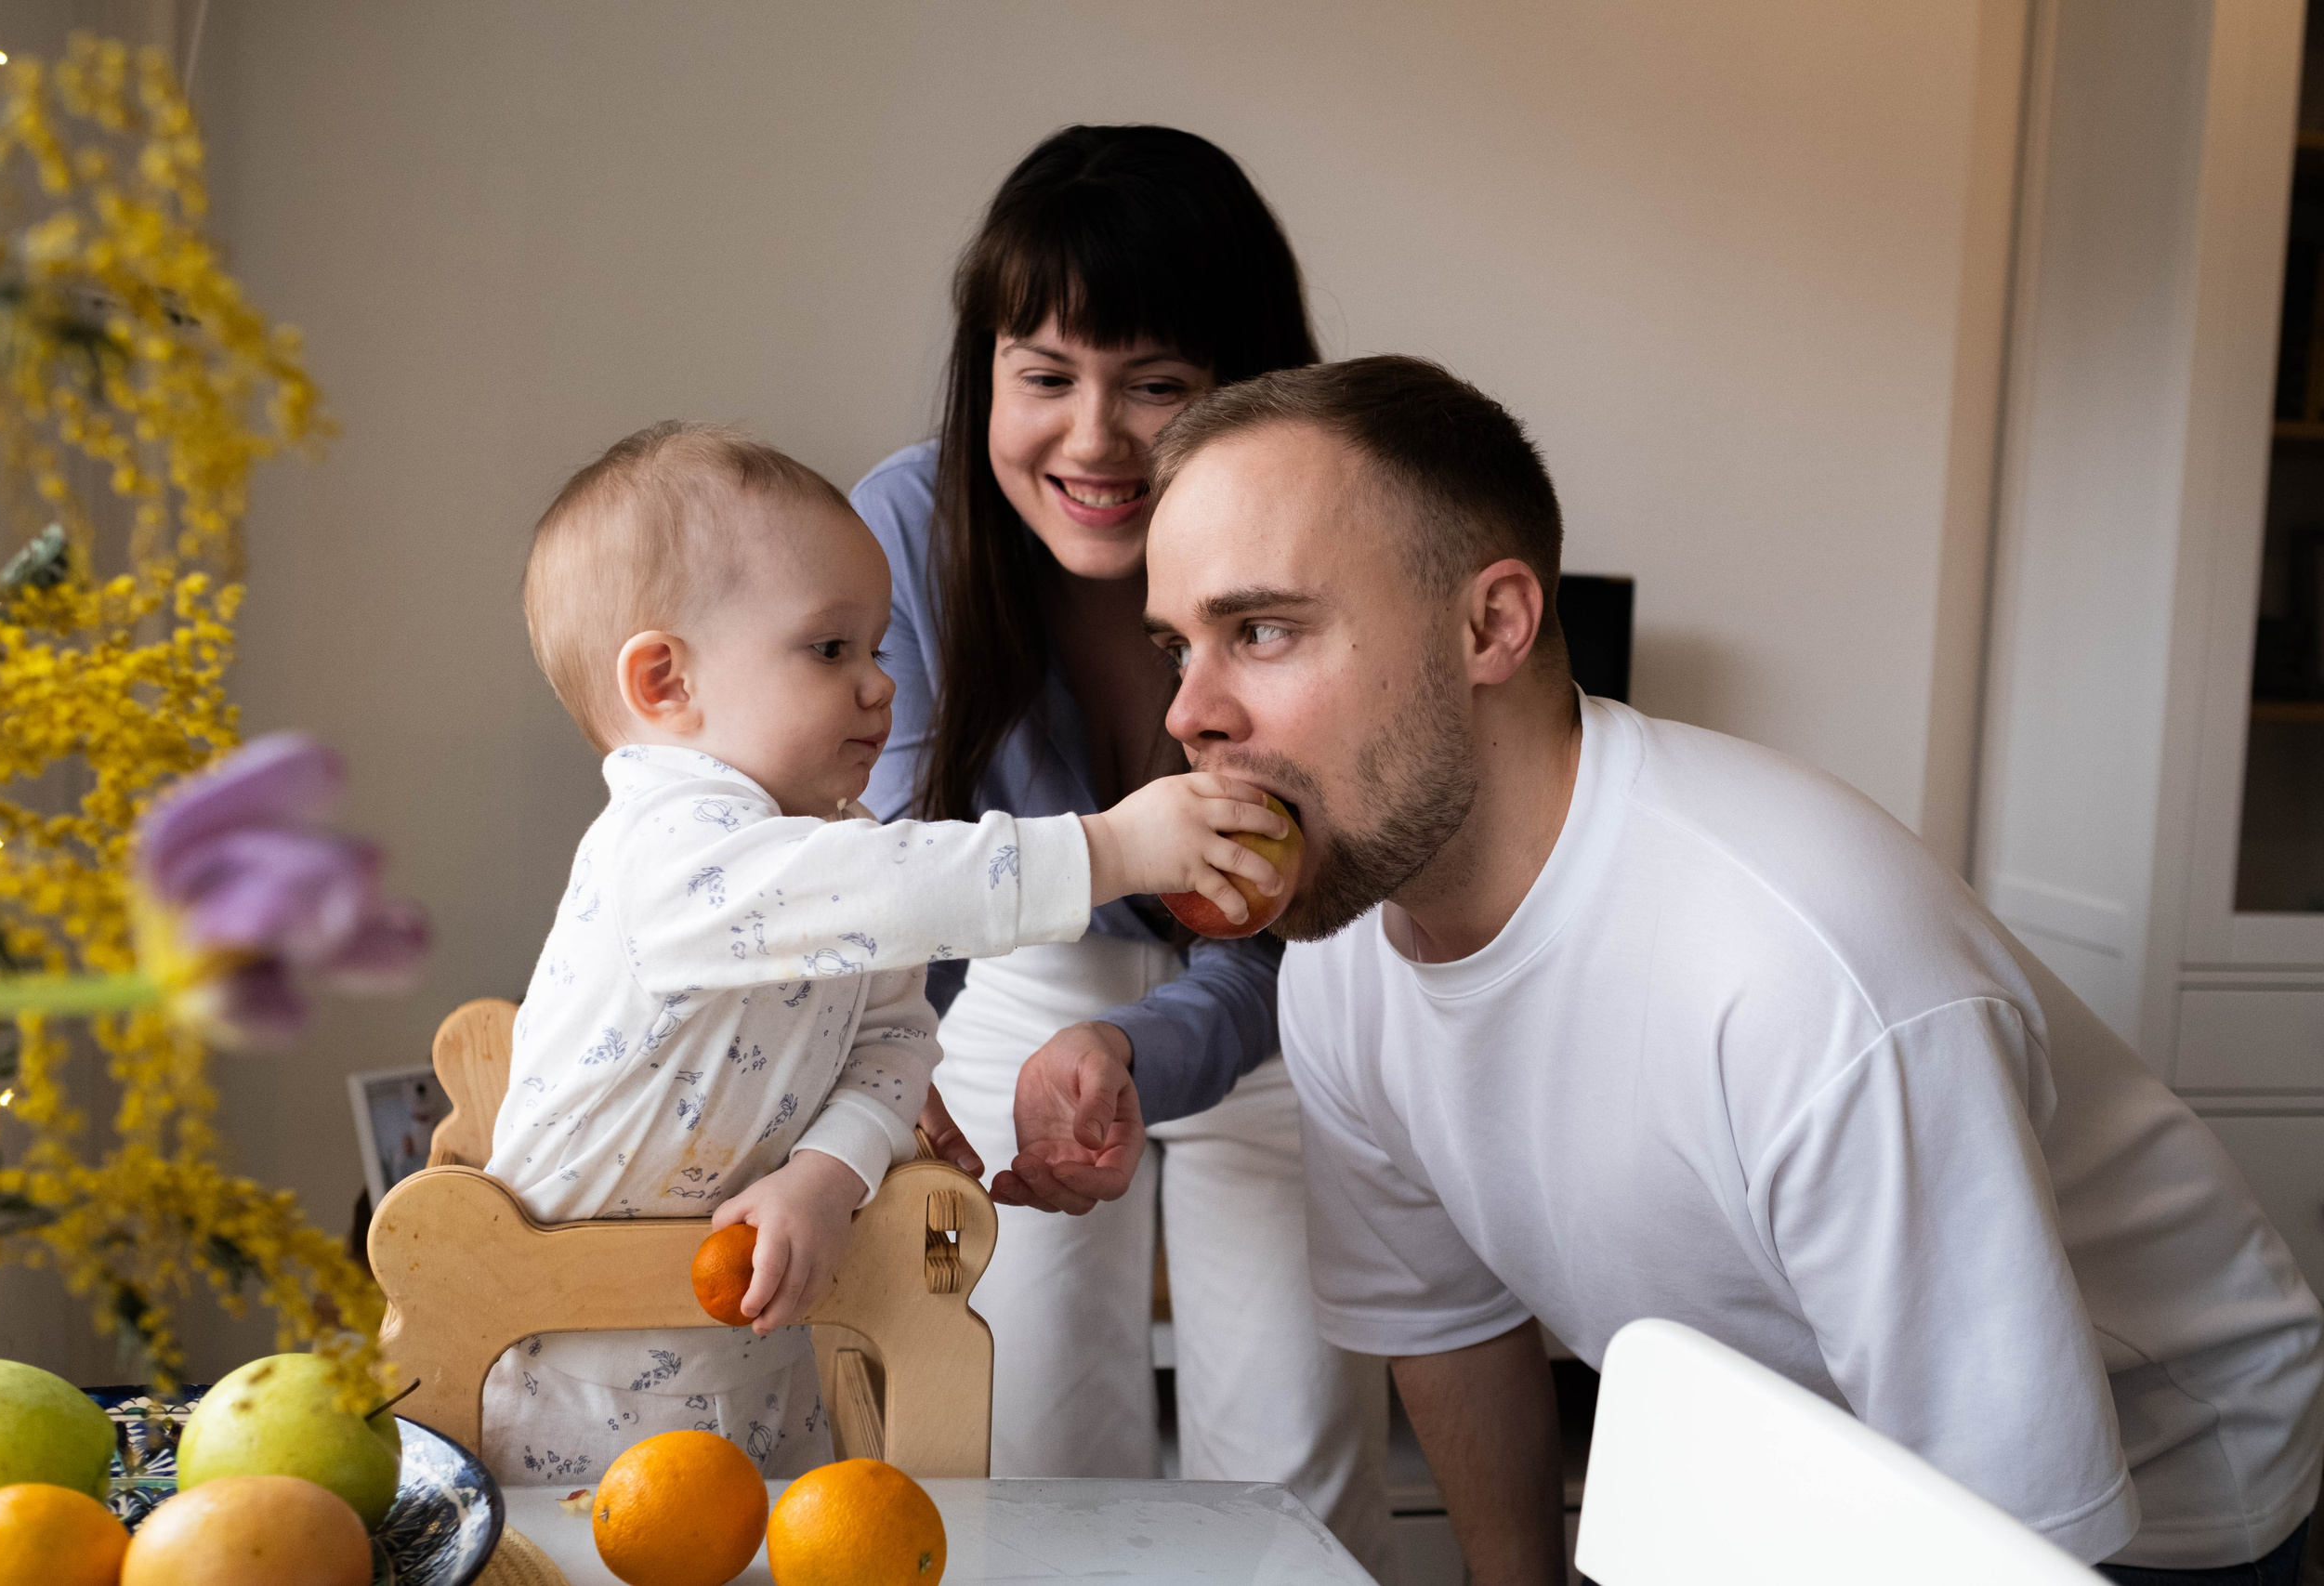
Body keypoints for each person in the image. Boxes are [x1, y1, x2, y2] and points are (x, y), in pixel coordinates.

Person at [1125, 355, 2324, 1584]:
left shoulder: (1806, 971)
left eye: (1261, 628)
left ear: (1489, 624)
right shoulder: (1344, 941)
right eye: (1180, 646)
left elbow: (2005, 1523)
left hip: (2145, 1490)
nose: (1187, 712)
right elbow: (1450, 1319)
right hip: (1770, 1437)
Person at [479, 421, 1288, 1486]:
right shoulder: (665, 855)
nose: (880, 686)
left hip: (753, 1359)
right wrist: (1108, 847)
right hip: (569, 1377)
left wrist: (826, 1174)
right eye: (829, 650)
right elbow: (902, 889)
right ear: (665, 684)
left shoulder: (836, 865)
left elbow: (896, 1044)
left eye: (878, 646)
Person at [850, 124, 1390, 1565]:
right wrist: (895, 1097)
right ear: (988, 379)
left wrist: (1149, 1056)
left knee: (1287, 1464)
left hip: (1282, 997)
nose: (1093, 440)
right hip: (1020, 959)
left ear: (1251, 392)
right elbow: (902, 889)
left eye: (1158, 384)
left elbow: (1312, 919)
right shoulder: (903, 533)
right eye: (1046, 377)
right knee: (1021, 1434)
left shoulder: (1327, 557)